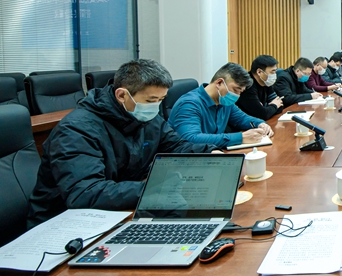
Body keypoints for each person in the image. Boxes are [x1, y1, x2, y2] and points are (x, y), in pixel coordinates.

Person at [27, 59, 220, 227]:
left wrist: (209, 154)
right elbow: (85, 193)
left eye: (161, 100)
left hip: (115, 211)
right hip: (64, 225)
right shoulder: (76, 130)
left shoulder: (144, 116)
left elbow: (175, 146)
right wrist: (154, 189)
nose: (155, 107)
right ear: (121, 95)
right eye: (151, 100)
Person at [169, 62, 273, 147]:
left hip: (214, 152)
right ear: (219, 83)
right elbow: (191, 138)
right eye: (235, 90)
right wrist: (241, 138)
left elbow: (242, 119)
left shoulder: (224, 101)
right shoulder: (189, 104)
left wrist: (260, 124)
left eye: (240, 92)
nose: (237, 95)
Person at [236, 55, 284, 120]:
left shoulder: (266, 82)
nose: (275, 74)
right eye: (272, 71)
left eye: (275, 71)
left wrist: (267, 107)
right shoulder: (247, 86)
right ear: (259, 72)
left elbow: (280, 105)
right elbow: (263, 115)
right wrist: (274, 105)